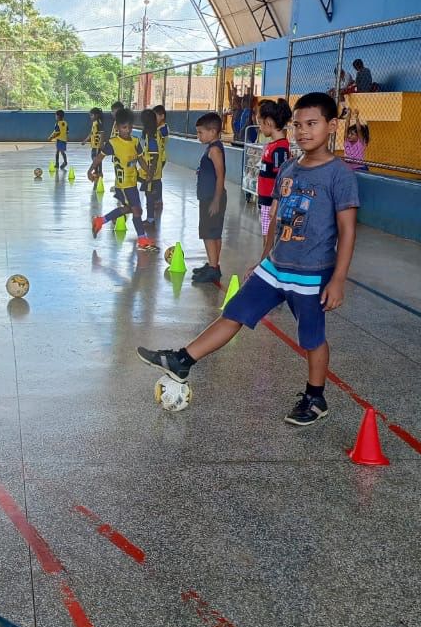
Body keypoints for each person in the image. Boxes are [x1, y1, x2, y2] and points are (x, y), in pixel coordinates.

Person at [138, 92, 359, 427]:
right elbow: (279, 219)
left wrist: (339, 278)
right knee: (234, 313)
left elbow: (347, 229)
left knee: (312, 337)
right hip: (275, 267)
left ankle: (315, 397)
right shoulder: (288, 167)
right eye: (298, 125)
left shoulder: (338, 175)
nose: (303, 131)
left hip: (311, 274)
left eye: (312, 124)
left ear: (331, 126)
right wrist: (264, 257)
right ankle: (183, 359)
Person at [90, 106, 156, 251]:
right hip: (123, 185)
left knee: (128, 209)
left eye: (130, 127)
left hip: (132, 184)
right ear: (118, 127)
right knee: (137, 211)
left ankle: (100, 220)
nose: (127, 130)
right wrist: (91, 169)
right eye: (124, 127)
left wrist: (148, 172)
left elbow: (140, 159)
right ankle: (142, 239)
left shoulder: (135, 141)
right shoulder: (113, 143)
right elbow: (99, 157)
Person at [191, 112, 226, 285]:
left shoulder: (215, 150)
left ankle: (213, 269)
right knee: (213, 232)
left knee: (209, 234)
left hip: (212, 198)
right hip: (208, 197)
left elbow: (221, 176)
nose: (199, 136)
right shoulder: (211, 147)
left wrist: (216, 200)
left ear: (212, 132)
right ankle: (214, 265)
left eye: (200, 133)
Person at [256, 99, 293, 256]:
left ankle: (268, 265)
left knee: (270, 237)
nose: (259, 127)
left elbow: (282, 177)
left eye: (260, 123)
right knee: (266, 235)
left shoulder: (280, 148)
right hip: (265, 200)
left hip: (271, 202)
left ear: (269, 122)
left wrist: (276, 204)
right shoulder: (272, 145)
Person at [139, 107, 162, 227]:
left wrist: (150, 174)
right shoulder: (149, 134)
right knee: (148, 194)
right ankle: (150, 218)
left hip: (151, 173)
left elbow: (155, 157)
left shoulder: (152, 136)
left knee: (149, 196)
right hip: (147, 171)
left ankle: (150, 219)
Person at [152, 104, 169, 219]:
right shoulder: (159, 128)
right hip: (157, 157)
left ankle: (158, 199)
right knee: (155, 179)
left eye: (155, 117)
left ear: (162, 116)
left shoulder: (163, 129)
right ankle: (156, 198)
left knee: (156, 179)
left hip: (160, 158)